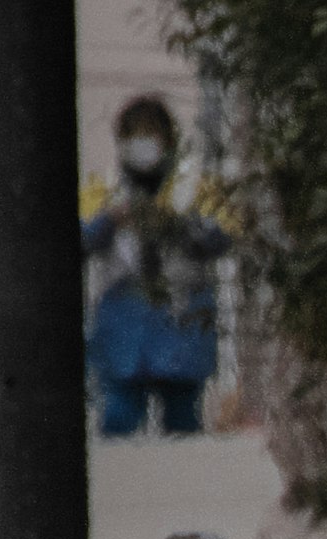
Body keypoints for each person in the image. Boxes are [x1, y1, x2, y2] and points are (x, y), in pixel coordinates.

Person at [82, 96, 229, 438]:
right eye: (134, 136)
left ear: (169, 140)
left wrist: (181, 224)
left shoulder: (196, 189)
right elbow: (81, 240)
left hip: (181, 315)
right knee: (119, 414)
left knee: (182, 418)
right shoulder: (102, 190)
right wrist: (110, 220)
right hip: (123, 315)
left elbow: (221, 237)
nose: (143, 145)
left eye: (151, 135)